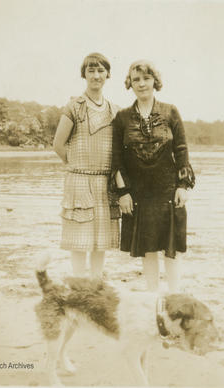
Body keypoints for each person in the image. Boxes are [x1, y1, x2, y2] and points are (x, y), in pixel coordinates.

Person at [111, 60, 195, 292]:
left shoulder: (170, 111)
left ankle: (175, 297)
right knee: (148, 249)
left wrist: (183, 186)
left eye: (146, 78)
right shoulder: (122, 117)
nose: (141, 84)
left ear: (154, 81)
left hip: (169, 189)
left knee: (172, 248)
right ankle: (152, 300)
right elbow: (116, 159)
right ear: (130, 83)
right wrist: (123, 192)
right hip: (138, 193)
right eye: (136, 79)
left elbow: (181, 150)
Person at [53, 53, 120, 278]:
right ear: (84, 74)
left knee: (101, 242)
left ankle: (96, 284)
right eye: (91, 71)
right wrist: (76, 167)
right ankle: (80, 284)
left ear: (107, 75)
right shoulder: (74, 106)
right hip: (79, 180)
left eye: (100, 71)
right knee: (79, 241)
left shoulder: (114, 110)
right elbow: (58, 144)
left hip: (104, 182)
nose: (96, 75)